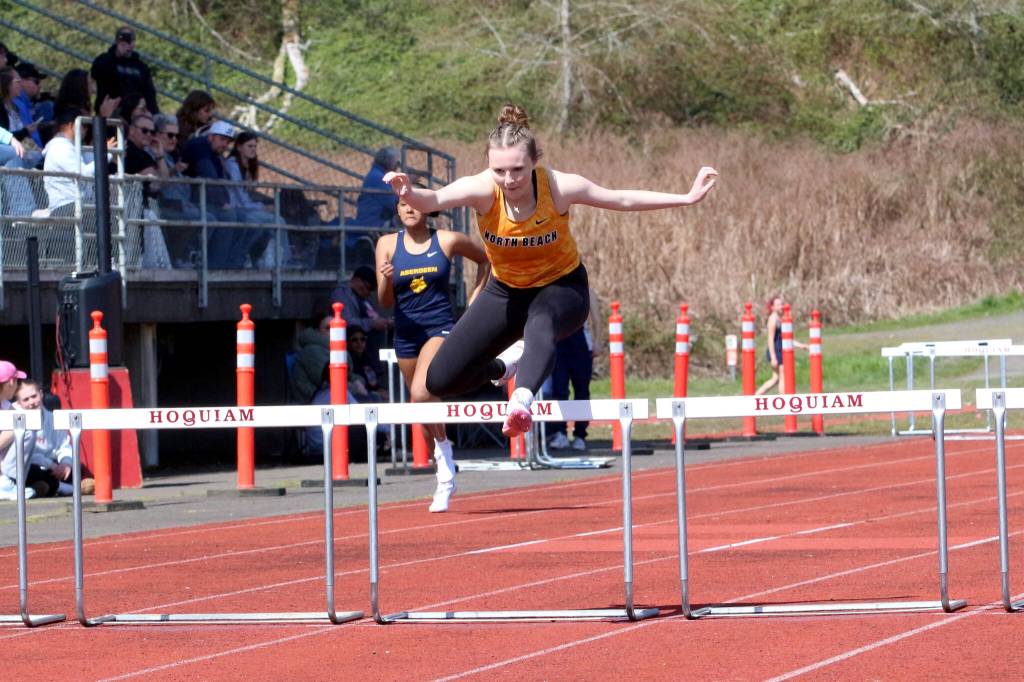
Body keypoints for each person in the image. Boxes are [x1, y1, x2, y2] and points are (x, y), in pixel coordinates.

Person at [382, 103, 717, 437]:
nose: (509, 180)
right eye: (500, 171)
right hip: (507, 291)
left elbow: (620, 199)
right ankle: (506, 365)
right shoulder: (482, 189)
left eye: (518, 170)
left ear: (534, 161)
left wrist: (685, 198)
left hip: (562, 288)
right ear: (489, 166)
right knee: (440, 379)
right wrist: (408, 192)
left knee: (541, 319)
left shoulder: (557, 187)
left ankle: (521, 401)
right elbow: (433, 200)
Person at [375, 191, 489, 511]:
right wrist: (386, 281)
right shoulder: (387, 244)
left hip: (439, 328)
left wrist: (475, 301)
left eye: (414, 204)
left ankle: (444, 457)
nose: (409, 209)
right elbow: (384, 302)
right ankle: (443, 464)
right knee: (421, 406)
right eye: (402, 205)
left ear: (427, 208)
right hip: (405, 333)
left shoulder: (448, 240)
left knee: (421, 393)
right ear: (397, 211)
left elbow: (485, 259)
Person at [181, 119, 261, 268]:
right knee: (229, 216)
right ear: (211, 136)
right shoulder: (200, 146)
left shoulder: (215, 153)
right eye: (222, 139)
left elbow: (220, 180)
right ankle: (215, 265)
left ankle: (231, 262)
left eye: (228, 142)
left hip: (204, 200)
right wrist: (223, 202)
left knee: (243, 218)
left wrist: (224, 202)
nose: (225, 145)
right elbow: (210, 176)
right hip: (191, 200)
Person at [1, 379, 95, 497]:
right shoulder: (13, 415)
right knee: (34, 472)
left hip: (51, 466)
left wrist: (65, 464)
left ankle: (42, 488)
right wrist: (50, 465)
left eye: (34, 396)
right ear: (19, 403)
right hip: (25, 466)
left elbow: (64, 446)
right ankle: (70, 489)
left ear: (41, 394)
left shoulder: (52, 417)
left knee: (76, 468)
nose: (31, 402)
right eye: (26, 399)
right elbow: (21, 454)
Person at [545, 287, 602, 451]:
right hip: (559, 342)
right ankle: (560, 433)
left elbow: (597, 319)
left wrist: (598, 341)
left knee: (582, 390)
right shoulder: (554, 289)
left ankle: (580, 435)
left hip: (580, 344)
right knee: (559, 390)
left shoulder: (586, 290)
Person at [223, 130, 278, 267]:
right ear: (239, 147)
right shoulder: (232, 165)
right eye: (249, 146)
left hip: (246, 207)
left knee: (274, 222)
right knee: (275, 220)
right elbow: (240, 200)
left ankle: (268, 257)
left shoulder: (247, 166)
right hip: (238, 208)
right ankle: (278, 259)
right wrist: (263, 207)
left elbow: (247, 197)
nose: (253, 149)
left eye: (255, 146)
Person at [328, 265, 393, 367]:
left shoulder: (364, 298)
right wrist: (372, 324)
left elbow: (374, 315)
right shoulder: (341, 294)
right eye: (367, 288)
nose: (367, 292)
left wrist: (384, 321)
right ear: (357, 280)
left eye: (371, 290)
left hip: (368, 349)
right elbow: (346, 321)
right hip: (351, 347)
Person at [90, 26, 159, 116]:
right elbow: (96, 74)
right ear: (116, 41)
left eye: (130, 39)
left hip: (136, 112)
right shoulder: (104, 60)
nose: (126, 43)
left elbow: (149, 93)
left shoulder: (141, 67)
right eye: (123, 40)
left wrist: (154, 113)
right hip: (111, 111)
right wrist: (117, 54)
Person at [755, 295, 808, 396]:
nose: (781, 306)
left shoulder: (781, 318)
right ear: (773, 307)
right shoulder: (773, 319)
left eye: (781, 304)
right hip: (776, 351)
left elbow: (785, 339)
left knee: (775, 379)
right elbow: (770, 339)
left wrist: (801, 346)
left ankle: (755, 397)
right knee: (783, 377)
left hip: (781, 349)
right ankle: (783, 399)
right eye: (778, 305)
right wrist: (773, 357)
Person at [0, 361, 37, 501]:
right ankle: (5, 483)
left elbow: (21, 419)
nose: (17, 386)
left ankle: (10, 483)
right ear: (11, 382)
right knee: (24, 430)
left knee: (24, 427)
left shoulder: (4, 404)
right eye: (17, 381)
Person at [53, 68, 119, 121]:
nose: (93, 89)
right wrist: (103, 116)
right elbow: (89, 133)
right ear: (79, 86)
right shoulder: (72, 115)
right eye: (90, 83)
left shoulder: (65, 111)